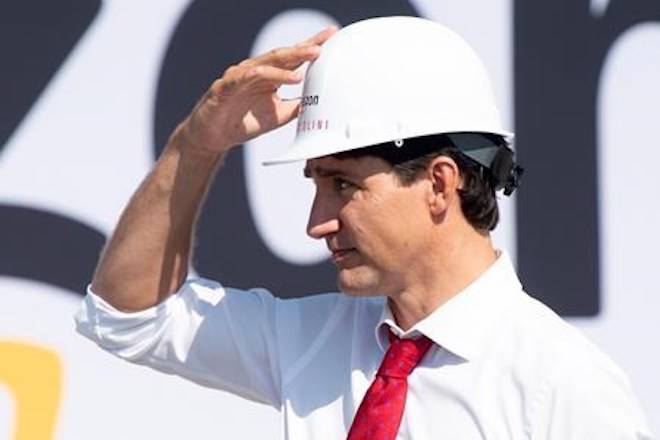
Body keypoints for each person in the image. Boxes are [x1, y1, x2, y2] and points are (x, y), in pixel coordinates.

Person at [75, 16, 652, 439]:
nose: (316, 222)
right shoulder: (314, 339)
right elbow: (128, 316)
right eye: (316, 184)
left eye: (344, 185)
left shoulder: (562, 384)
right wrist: (196, 145)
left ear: (439, 183)